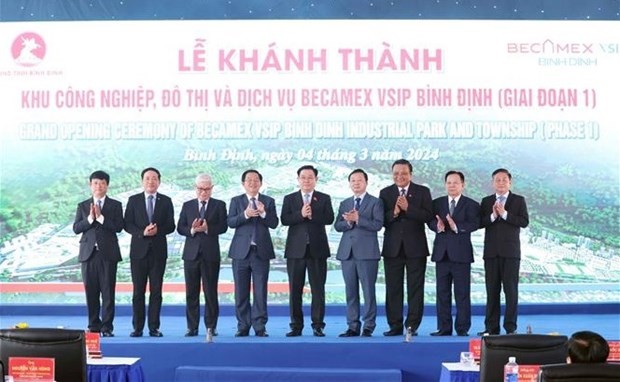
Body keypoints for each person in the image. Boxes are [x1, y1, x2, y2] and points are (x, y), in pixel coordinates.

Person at [379, 159, 433, 336]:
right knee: (393, 288)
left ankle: (412, 325)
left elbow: (428, 216)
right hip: (392, 248)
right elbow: (381, 220)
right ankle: (394, 325)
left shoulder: (422, 191)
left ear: (411, 174)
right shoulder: (385, 192)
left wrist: (408, 208)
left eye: (403, 173)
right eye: (396, 173)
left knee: (415, 288)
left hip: (415, 248)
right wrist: (394, 212)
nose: (399, 176)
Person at [281, 165, 335, 337]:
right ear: (298, 180)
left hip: (317, 250)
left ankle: (318, 325)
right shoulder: (290, 198)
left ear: (316, 180)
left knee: (318, 289)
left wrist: (312, 216)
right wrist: (300, 214)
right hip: (295, 251)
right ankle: (296, 325)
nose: (306, 180)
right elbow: (284, 219)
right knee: (295, 290)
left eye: (310, 177)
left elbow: (329, 218)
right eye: (303, 177)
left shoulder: (324, 198)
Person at [124, 167, 175, 337]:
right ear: (142, 181)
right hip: (138, 252)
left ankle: (154, 327)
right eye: (147, 178)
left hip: (158, 252)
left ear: (159, 181)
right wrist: (142, 233)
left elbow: (171, 225)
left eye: (154, 178)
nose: (151, 181)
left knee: (156, 291)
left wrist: (158, 230)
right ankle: (137, 328)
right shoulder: (133, 200)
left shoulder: (166, 201)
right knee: (138, 291)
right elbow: (128, 224)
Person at [427, 171, 480, 336]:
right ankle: (444, 328)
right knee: (442, 293)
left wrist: (456, 227)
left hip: (461, 256)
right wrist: (437, 226)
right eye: (449, 182)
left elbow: (475, 223)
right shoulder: (437, 203)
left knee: (462, 293)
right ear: (445, 185)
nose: (452, 185)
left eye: (455, 182)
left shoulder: (471, 204)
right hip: (441, 255)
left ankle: (462, 328)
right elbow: (430, 220)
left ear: (462, 185)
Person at [477, 168, 529, 336]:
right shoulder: (486, 201)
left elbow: (524, 222)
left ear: (510, 182)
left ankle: (510, 327)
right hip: (491, 253)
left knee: (510, 291)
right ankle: (491, 328)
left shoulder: (518, 200)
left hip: (511, 253)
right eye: (497, 180)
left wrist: (505, 214)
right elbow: (479, 223)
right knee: (492, 291)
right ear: (493, 183)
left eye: (504, 180)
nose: (500, 183)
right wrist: (493, 216)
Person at [227, 169, 279, 337]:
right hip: (240, 253)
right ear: (243, 184)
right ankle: (243, 325)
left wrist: (263, 213)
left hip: (261, 253)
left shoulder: (268, 201)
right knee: (240, 292)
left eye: (256, 180)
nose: (252, 183)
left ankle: (259, 326)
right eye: (249, 180)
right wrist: (245, 214)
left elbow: (274, 223)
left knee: (260, 292)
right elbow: (231, 222)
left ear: (260, 183)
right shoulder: (236, 201)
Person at [72, 170, 124, 337]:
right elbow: (76, 228)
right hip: (88, 254)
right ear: (90, 185)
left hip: (108, 254)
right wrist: (89, 219)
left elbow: (118, 227)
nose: (99, 186)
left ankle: (107, 327)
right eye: (95, 183)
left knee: (108, 292)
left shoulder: (115, 205)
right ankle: (94, 326)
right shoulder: (82, 205)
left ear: (107, 185)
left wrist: (101, 218)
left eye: (102, 183)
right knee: (91, 292)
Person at [177, 174, 228, 337]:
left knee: (210, 292)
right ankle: (192, 327)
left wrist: (207, 229)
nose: (203, 192)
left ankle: (211, 326)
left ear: (211, 189)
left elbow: (223, 227)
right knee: (191, 292)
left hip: (210, 254)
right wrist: (192, 230)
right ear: (195, 188)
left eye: (206, 189)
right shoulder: (187, 205)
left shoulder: (219, 205)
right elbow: (180, 227)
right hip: (191, 255)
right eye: (200, 189)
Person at [335, 169, 384, 337]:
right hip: (347, 253)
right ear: (349, 183)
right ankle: (352, 325)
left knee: (368, 291)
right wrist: (348, 223)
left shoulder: (375, 202)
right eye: (353, 180)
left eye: (359, 180)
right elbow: (337, 225)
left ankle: (369, 325)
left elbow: (378, 225)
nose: (356, 183)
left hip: (367, 253)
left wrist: (358, 219)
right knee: (351, 291)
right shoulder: (345, 203)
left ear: (366, 182)